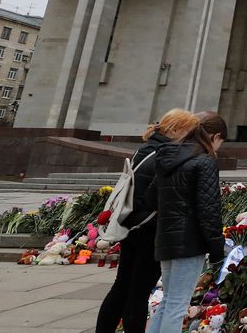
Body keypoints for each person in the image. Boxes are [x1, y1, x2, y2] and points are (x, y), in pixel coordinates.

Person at [95, 109, 200, 333]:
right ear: (175, 130)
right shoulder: (166, 154)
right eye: (189, 132)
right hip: (150, 229)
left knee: (122, 286)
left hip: (131, 224)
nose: (192, 138)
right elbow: (158, 195)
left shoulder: (145, 149)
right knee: (140, 291)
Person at [144, 111, 227, 333]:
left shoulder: (167, 156)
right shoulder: (205, 160)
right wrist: (218, 249)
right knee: (177, 306)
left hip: (166, 239)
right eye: (221, 141)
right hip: (189, 242)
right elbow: (209, 210)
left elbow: (151, 198)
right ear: (215, 136)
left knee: (168, 301)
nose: (219, 146)